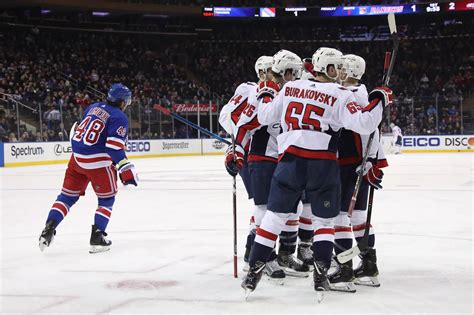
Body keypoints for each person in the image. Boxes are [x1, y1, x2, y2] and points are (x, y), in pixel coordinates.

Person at [241, 47, 393, 299]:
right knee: (324, 223)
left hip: (289, 163)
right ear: (329, 69)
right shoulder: (341, 93)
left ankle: (253, 271)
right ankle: (321, 276)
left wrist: (265, 95)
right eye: (338, 67)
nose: (341, 71)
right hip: (323, 165)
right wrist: (380, 99)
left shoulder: (290, 88)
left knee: (273, 219)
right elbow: (366, 123)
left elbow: (265, 116)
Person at [226, 50, 309, 280]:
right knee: (264, 210)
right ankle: (265, 257)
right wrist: (235, 152)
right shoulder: (263, 92)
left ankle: (284, 254)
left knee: (295, 209)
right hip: (263, 158)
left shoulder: (295, 92)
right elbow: (244, 125)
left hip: (288, 158)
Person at [38, 83, 139, 254]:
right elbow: (113, 147)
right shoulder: (119, 117)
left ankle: (49, 228)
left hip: (76, 160)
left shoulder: (93, 107)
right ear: (123, 101)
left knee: (66, 198)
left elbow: (80, 129)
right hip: (97, 164)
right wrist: (125, 168)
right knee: (106, 200)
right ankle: (97, 238)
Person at [329, 54, 388, 291]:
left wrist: (370, 160)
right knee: (359, 219)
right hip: (357, 165)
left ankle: (344, 270)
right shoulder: (361, 95)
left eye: (341, 68)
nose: (338, 73)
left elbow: (367, 130)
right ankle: (369, 268)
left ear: (350, 71)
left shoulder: (352, 96)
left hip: (348, 165)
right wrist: (372, 161)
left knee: (340, 218)